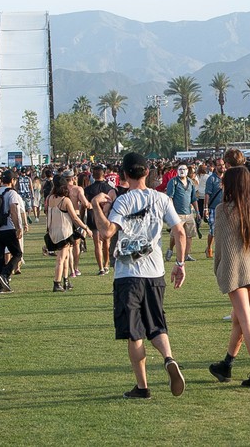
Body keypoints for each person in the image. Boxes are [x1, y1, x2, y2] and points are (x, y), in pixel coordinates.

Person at [89, 152, 187, 400]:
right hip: (155, 272)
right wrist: (180, 263)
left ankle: (142, 387)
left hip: (128, 274)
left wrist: (94, 206)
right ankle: (168, 358)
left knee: (134, 333)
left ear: (124, 175)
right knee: (157, 324)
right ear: (147, 173)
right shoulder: (162, 199)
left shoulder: (123, 201)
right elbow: (179, 231)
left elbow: (107, 231)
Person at [208, 166, 250, 388]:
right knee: (239, 319)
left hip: (236, 272)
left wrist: (218, 268)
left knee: (246, 321)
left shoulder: (223, 209)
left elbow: (222, 246)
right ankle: (226, 365)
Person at [46, 174, 91, 292]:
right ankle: (57, 282)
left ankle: (66, 281)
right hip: (64, 232)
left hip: (53, 231)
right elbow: (75, 218)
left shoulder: (49, 198)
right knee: (61, 258)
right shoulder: (65, 200)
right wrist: (86, 228)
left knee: (65, 257)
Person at [0, 171, 24, 293]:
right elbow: (14, 211)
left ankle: (0, 287)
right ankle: (5, 274)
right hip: (8, 227)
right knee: (17, 253)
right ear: (13, 180)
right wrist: (18, 227)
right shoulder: (12, 193)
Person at [84, 163, 117, 275]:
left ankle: (101, 267)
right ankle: (107, 264)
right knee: (106, 242)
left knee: (97, 243)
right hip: (106, 218)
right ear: (104, 174)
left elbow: (85, 205)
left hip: (93, 217)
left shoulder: (88, 189)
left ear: (93, 175)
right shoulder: (110, 188)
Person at [165, 164, 200, 263]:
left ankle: (186, 255)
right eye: (180, 169)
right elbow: (170, 198)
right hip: (177, 213)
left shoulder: (191, 182)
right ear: (177, 170)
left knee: (189, 235)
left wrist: (197, 212)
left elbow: (193, 198)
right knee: (175, 235)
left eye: (184, 169)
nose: (182, 171)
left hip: (189, 213)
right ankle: (171, 249)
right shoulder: (173, 182)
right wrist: (171, 212)